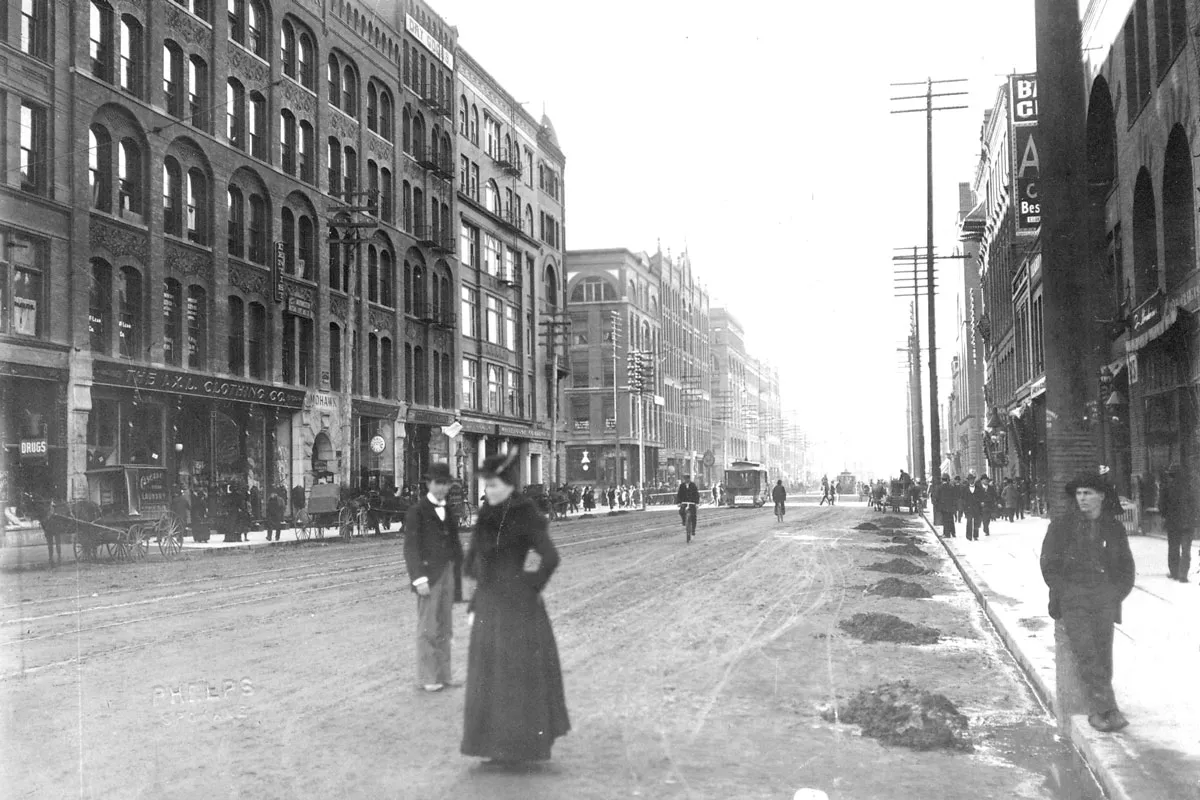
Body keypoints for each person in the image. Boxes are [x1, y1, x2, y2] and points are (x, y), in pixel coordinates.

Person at [461, 451, 570, 764]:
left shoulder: (525, 513)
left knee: (516, 676)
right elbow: (477, 563)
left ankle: (523, 747)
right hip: (489, 608)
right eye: (486, 485)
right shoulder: (486, 514)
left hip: (520, 611)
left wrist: (528, 584)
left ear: (509, 485)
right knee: (489, 677)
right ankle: (494, 748)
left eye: (494, 485)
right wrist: (474, 602)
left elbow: (550, 557)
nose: (489, 491)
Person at [1040, 472, 1135, 733]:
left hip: (1103, 599)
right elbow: (1049, 564)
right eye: (1079, 494)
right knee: (1087, 653)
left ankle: (1101, 708)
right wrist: (1065, 593)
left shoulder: (1113, 528)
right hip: (1074, 600)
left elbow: (1126, 567)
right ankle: (1105, 710)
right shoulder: (1062, 526)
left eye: (1088, 493)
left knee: (1103, 654)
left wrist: (1114, 595)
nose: (1082, 498)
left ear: (1101, 496)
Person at [403, 463, 464, 693]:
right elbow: (411, 548)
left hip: (448, 574)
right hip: (429, 577)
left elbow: (455, 545)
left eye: (446, 483)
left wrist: (460, 576)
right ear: (429, 484)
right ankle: (428, 677)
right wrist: (419, 579)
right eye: (438, 483)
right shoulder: (417, 511)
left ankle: (444, 675)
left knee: (445, 627)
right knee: (428, 628)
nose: (442, 488)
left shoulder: (449, 510)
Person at [1159, 464, 1195, 582]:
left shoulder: (1167, 487)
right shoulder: (1189, 487)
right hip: (1188, 523)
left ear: (1171, 475)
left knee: (1173, 547)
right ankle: (1183, 574)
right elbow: (1195, 504)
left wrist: (1165, 516)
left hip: (1173, 523)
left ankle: (1174, 572)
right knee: (1186, 549)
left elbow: (1161, 506)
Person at [961, 473, 983, 541]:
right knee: (969, 521)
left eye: (972, 479)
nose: (971, 481)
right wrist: (964, 508)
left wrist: (980, 505)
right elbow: (963, 499)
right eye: (970, 479)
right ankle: (969, 536)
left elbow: (981, 497)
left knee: (976, 522)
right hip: (968, 508)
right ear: (968, 480)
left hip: (976, 507)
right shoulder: (965, 488)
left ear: (974, 480)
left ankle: (975, 536)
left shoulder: (978, 488)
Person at [936, 473, 958, 538]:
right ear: (948, 479)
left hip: (943, 507)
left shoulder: (939, 487)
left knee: (945, 521)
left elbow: (937, 498)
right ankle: (953, 533)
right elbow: (954, 497)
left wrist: (938, 506)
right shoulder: (951, 487)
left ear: (942, 480)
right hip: (950, 507)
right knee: (951, 520)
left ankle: (946, 534)